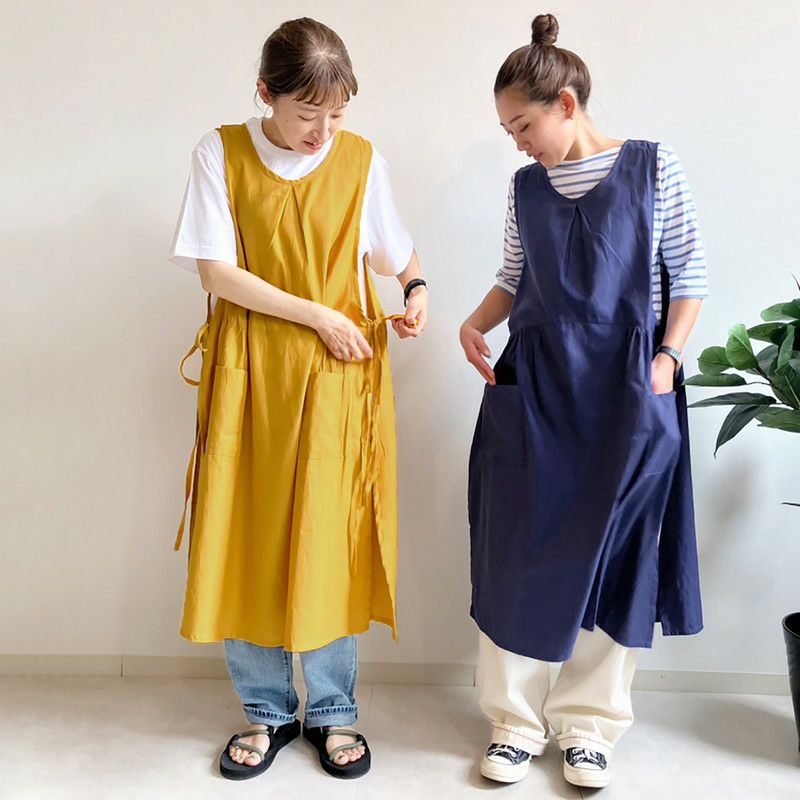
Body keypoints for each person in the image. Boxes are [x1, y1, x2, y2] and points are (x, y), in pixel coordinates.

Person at [168, 17, 427, 781]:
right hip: (250, 370)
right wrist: (317, 314)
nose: (323, 131)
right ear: (265, 94)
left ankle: (334, 711)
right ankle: (267, 710)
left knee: (329, 540)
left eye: (337, 114)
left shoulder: (361, 160)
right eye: (308, 113)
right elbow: (216, 271)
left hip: (337, 378)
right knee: (246, 532)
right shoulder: (220, 151)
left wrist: (415, 287)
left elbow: (394, 250)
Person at [461, 12, 705, 790]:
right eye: (508, 131)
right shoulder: (524, 188)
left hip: (631, 390)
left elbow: (690, 276)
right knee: (515, 550)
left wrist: (666, 361)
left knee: (616, 554)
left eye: (523, 126)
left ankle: (588, 728)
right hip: (536, 389)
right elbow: (512, 278)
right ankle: (513, 722)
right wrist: (474, 322)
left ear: (566, 103)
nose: (518, 143)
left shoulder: (655, 167)